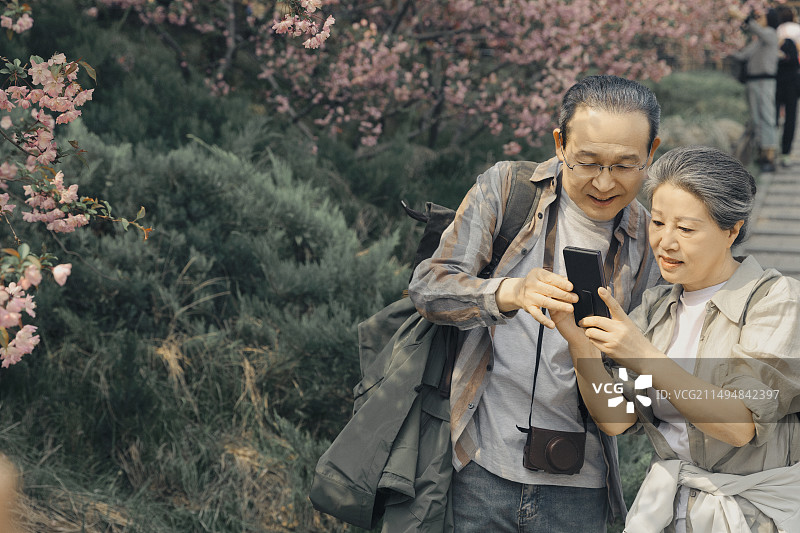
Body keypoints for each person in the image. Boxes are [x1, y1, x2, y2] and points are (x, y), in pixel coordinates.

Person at [408, 75, 662, 532]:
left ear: (651, 153)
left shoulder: (654, 241)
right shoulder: (509, 189)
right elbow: (428, 286)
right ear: (560, 144)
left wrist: (604, 353)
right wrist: (509, 292)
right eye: (588, 162)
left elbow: (639, 393)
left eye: (626, 165)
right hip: (478, 467)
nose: (605, 182)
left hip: (582, 487)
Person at [553, 145, 800, 533]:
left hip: (758, 518)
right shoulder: (657, 308)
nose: (665, 242)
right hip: (671, 512)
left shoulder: (776, 300)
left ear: (731, 230)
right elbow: (618, 418)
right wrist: (580, 343)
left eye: (685, 229)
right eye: (658, 222)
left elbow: (739, 425)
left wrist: (644, 356)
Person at [730, 7, 780, 172]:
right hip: (754, 81)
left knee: (766, 116)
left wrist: (741, 17)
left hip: (765, 80)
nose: (759, 19)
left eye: (762, 17)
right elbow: (742, 55)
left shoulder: (770, 34)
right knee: (757, 118)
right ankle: (762, 153)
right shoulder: (759, 41)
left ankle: (769, 155)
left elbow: (757, 29)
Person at [777, 6, 800, 164]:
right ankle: (786, 152)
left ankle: (770, 149)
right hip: (793, 77)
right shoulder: (797, 29)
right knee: (791, 116)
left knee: (773, 114)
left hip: (777, 77)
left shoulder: (776, 30)